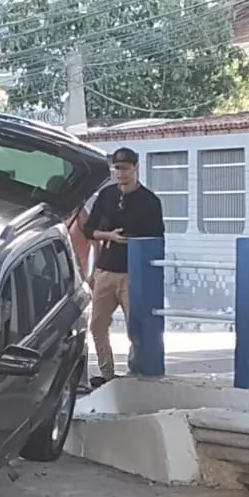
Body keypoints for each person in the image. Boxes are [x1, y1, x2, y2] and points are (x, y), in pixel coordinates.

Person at [83, 147, 165, 388]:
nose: (121, 174)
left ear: (136, 167)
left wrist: (135, 241)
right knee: (97, 324)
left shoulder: (150, 201)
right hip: (106, 270)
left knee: (136, 327)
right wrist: (108, 235)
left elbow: (158, 238)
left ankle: (136, 372)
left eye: (126, 168)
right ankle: (106, 374)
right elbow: (89, 230)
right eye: (117, 169)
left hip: (133, 273)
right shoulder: (106, 196)